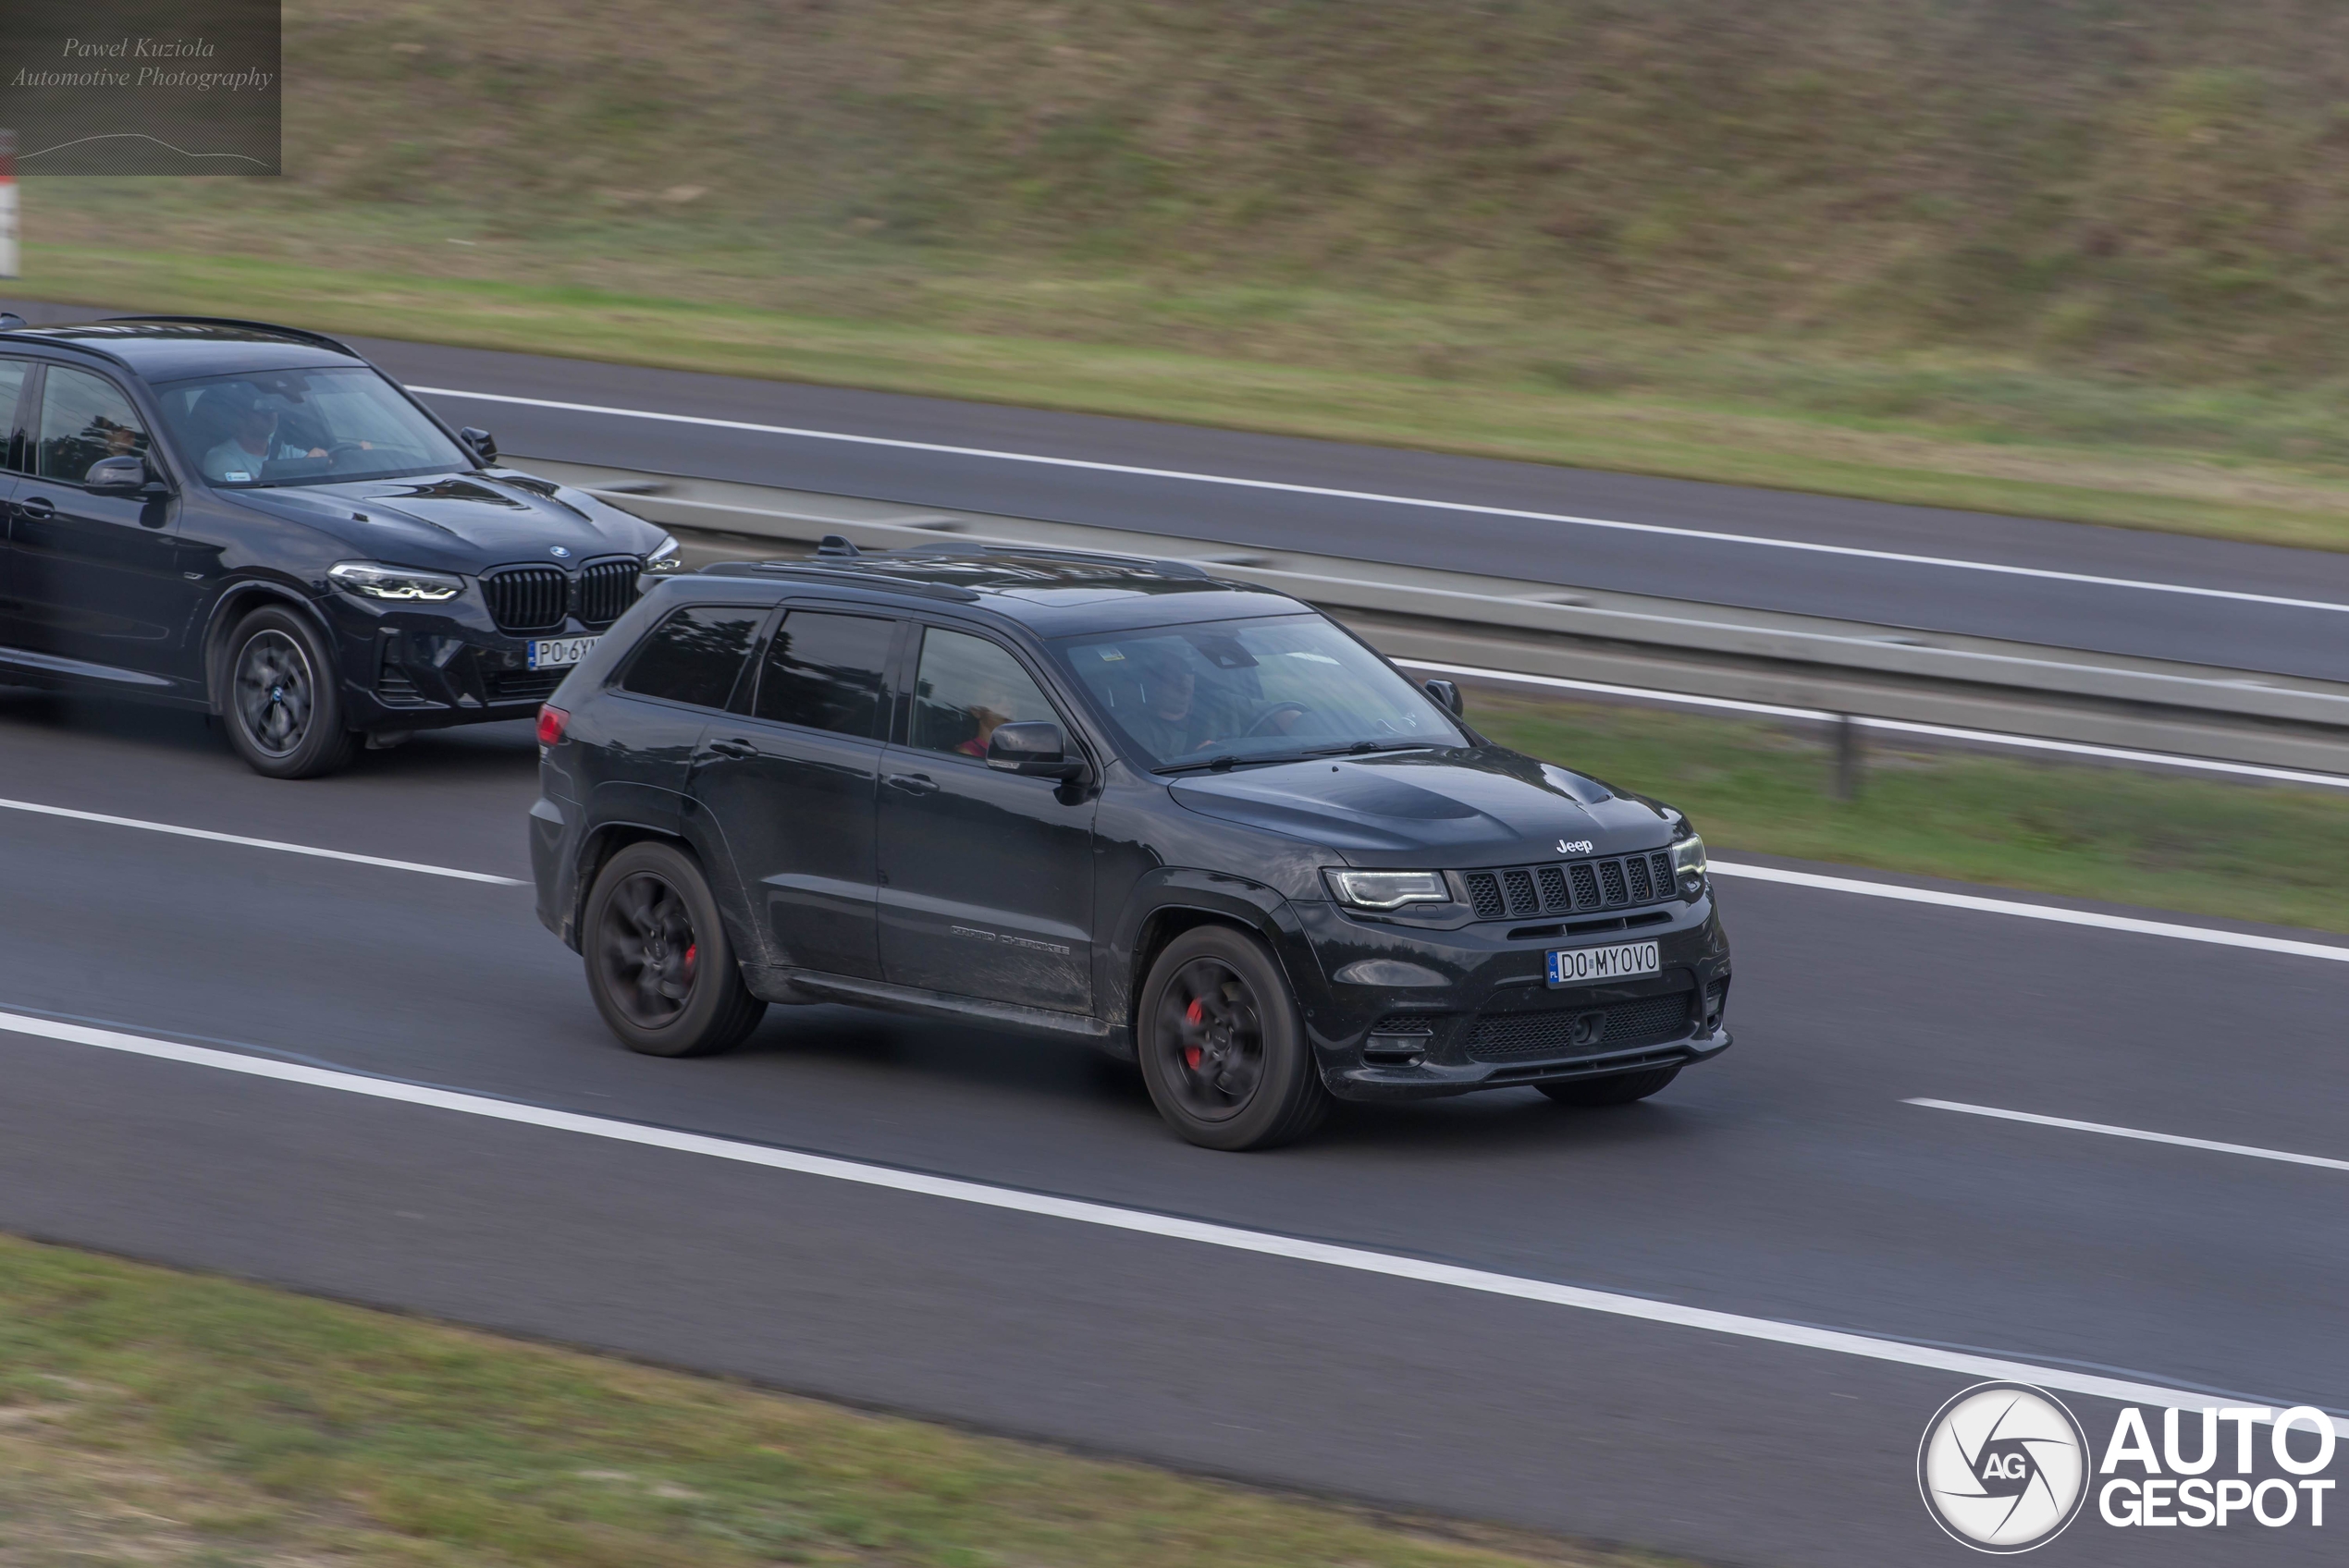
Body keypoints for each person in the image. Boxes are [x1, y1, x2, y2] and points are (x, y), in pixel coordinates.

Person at [200, 386, 328, 483]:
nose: (270, 414)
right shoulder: (219, 458)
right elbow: (253, 491)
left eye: (273, 408)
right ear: (241, 416)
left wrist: (319, 459)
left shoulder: (284, 451)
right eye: (262, 408)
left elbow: (315, 463)